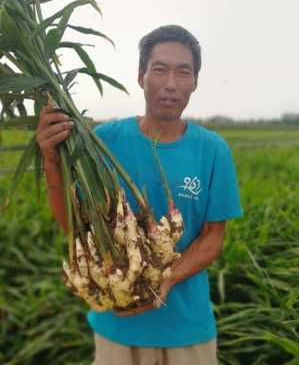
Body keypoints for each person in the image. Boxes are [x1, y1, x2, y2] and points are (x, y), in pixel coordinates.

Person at [37, 25, 243, 365]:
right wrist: (50, 159)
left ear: (195, 83)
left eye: (183, 72)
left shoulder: (213, 150)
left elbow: (213, 237)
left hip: (188, 331)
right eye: (159, 69)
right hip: (115, 328)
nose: (171, 84)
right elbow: (70, 225)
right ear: (140, 76)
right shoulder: (101, 142)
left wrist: (166, 276)